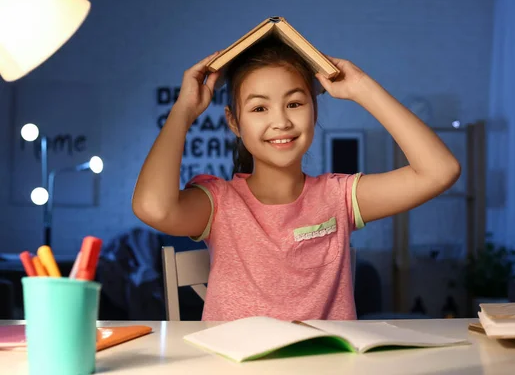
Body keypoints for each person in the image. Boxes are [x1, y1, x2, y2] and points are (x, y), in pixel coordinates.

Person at [132, 38, 460, 321]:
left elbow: (439, 171)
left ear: (314, 111)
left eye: (294, 103)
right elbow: (153, 208)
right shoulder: (218, 203)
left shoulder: (339, 197)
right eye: (259, 108)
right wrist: (184, 110)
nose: (281, 121)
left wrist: (361, 88)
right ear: (234, 122)